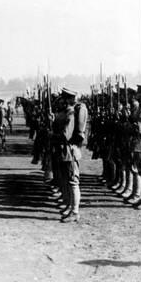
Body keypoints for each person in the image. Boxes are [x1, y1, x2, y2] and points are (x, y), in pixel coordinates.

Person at [53, 87, 87, 223]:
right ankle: (70, 206)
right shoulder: (67, 112)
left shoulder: (71, 114)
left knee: (73, 182)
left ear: (68, 99)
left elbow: (65, 135)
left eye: (64, 97)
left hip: (70, 152)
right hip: (66, 151)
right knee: (67, 181)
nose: (61, 100)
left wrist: (53, 134)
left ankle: (75, 212)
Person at [125, 85, 141, 207]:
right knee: (137, 168)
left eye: (138, 93)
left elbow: (138, 127)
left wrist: (128, 125)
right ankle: (136, 194)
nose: (135, 95)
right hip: (137, 141)